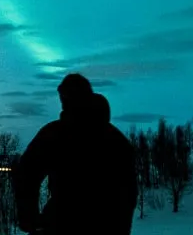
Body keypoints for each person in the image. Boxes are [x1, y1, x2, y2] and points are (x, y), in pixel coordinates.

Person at [14, 74, 137, 235]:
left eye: (64, 97)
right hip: (101, 224)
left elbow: (27, 174)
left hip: (63, 223)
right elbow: (129, 192)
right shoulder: (116, 139)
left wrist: (29, 218)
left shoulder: (55, 134)